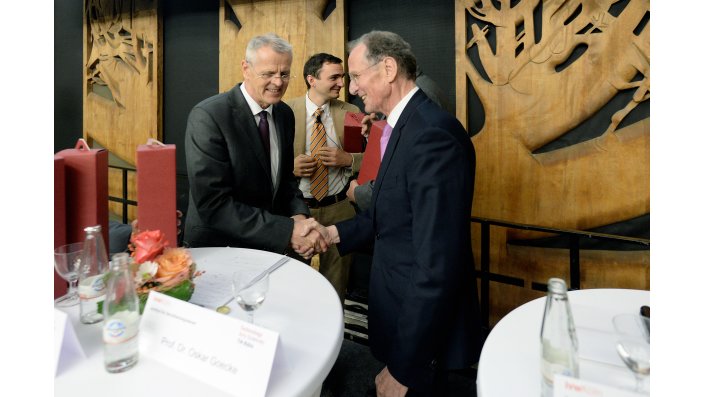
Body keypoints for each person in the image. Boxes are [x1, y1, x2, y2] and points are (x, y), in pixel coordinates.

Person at [304, 31, 482, 396]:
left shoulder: (433, 134)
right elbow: (389, 216)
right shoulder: (402, 126)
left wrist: (404, 368)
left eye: (355, 76)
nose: (352, 89)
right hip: (398, 314)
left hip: (423, 344)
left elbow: (436, 262)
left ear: (387, 69)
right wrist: (332, 234)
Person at [183, 33, 325, 258]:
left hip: (267, 247)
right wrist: (288, 230)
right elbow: (214, 204)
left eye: (284, 74)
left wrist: (299, 217)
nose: (278, 82)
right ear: (245, 69)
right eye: (268, 73)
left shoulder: (284, 114)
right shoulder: (209, 116)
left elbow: (286, 181)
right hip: (219, 248)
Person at [286, 53, 363, 301]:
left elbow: (369, 159)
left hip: (339, 209)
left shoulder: (351, 112)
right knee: (292, 285)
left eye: (343, 76)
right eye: (335, 77)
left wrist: (348, 159)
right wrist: (290, 166)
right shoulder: (284, 112)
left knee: (335, 288)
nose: (342, 83)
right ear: (312, 79)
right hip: (298, 212)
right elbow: (265, 162)